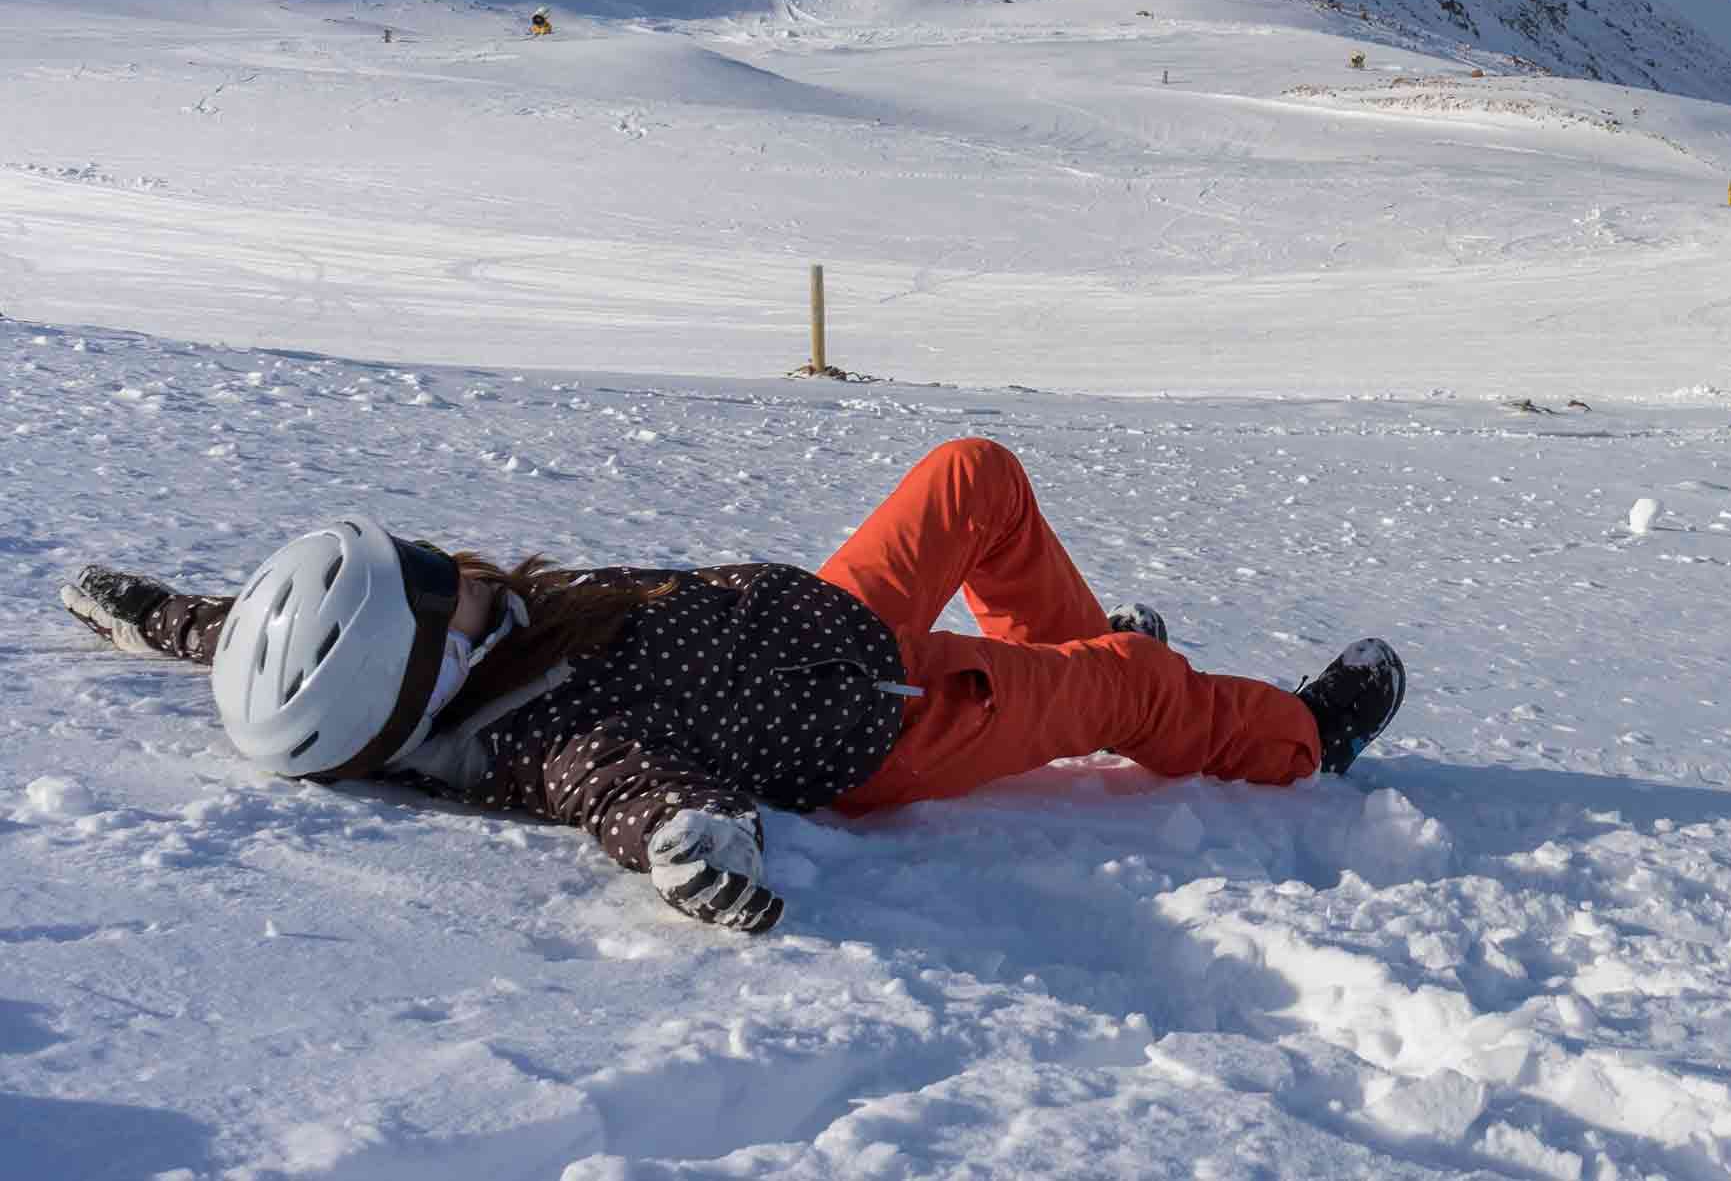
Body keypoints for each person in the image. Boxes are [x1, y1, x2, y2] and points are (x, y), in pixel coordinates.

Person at [56, 438, 1403, 934]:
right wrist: (690, 852)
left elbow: (277, 637)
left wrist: (160, 617)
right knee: (1129, 685)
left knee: (971, 477)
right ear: (413, 667)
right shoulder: (551, 734)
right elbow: (633, 798)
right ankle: (1299, 739)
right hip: (887, 715)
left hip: (821, 619)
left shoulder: (476, 633)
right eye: (427, 579)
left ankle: (1077, 651)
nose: (450, 561)